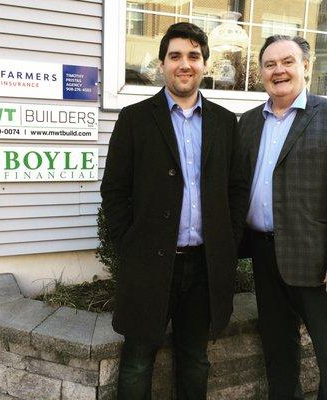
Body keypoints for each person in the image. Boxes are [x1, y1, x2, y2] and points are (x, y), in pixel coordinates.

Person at [100, 22, 248, 400]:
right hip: (149, 263)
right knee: (137, 359)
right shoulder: (135, 119)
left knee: (195, 358)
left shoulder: (224, 122)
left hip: (203, 266)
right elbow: (115, 191)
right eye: (176, 56)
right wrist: (128, 245)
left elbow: (236, 189)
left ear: (204, 65)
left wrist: (228, 241)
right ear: (163, 63)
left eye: (194, 56)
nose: (185, 64)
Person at [239, 35, 327, 400]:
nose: (279, 71)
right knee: (278, 352)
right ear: (261, 72)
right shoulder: (247, 122)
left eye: (287, 62)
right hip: (263, 254)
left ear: (306, 66)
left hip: (315, 261)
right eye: (270, 64)